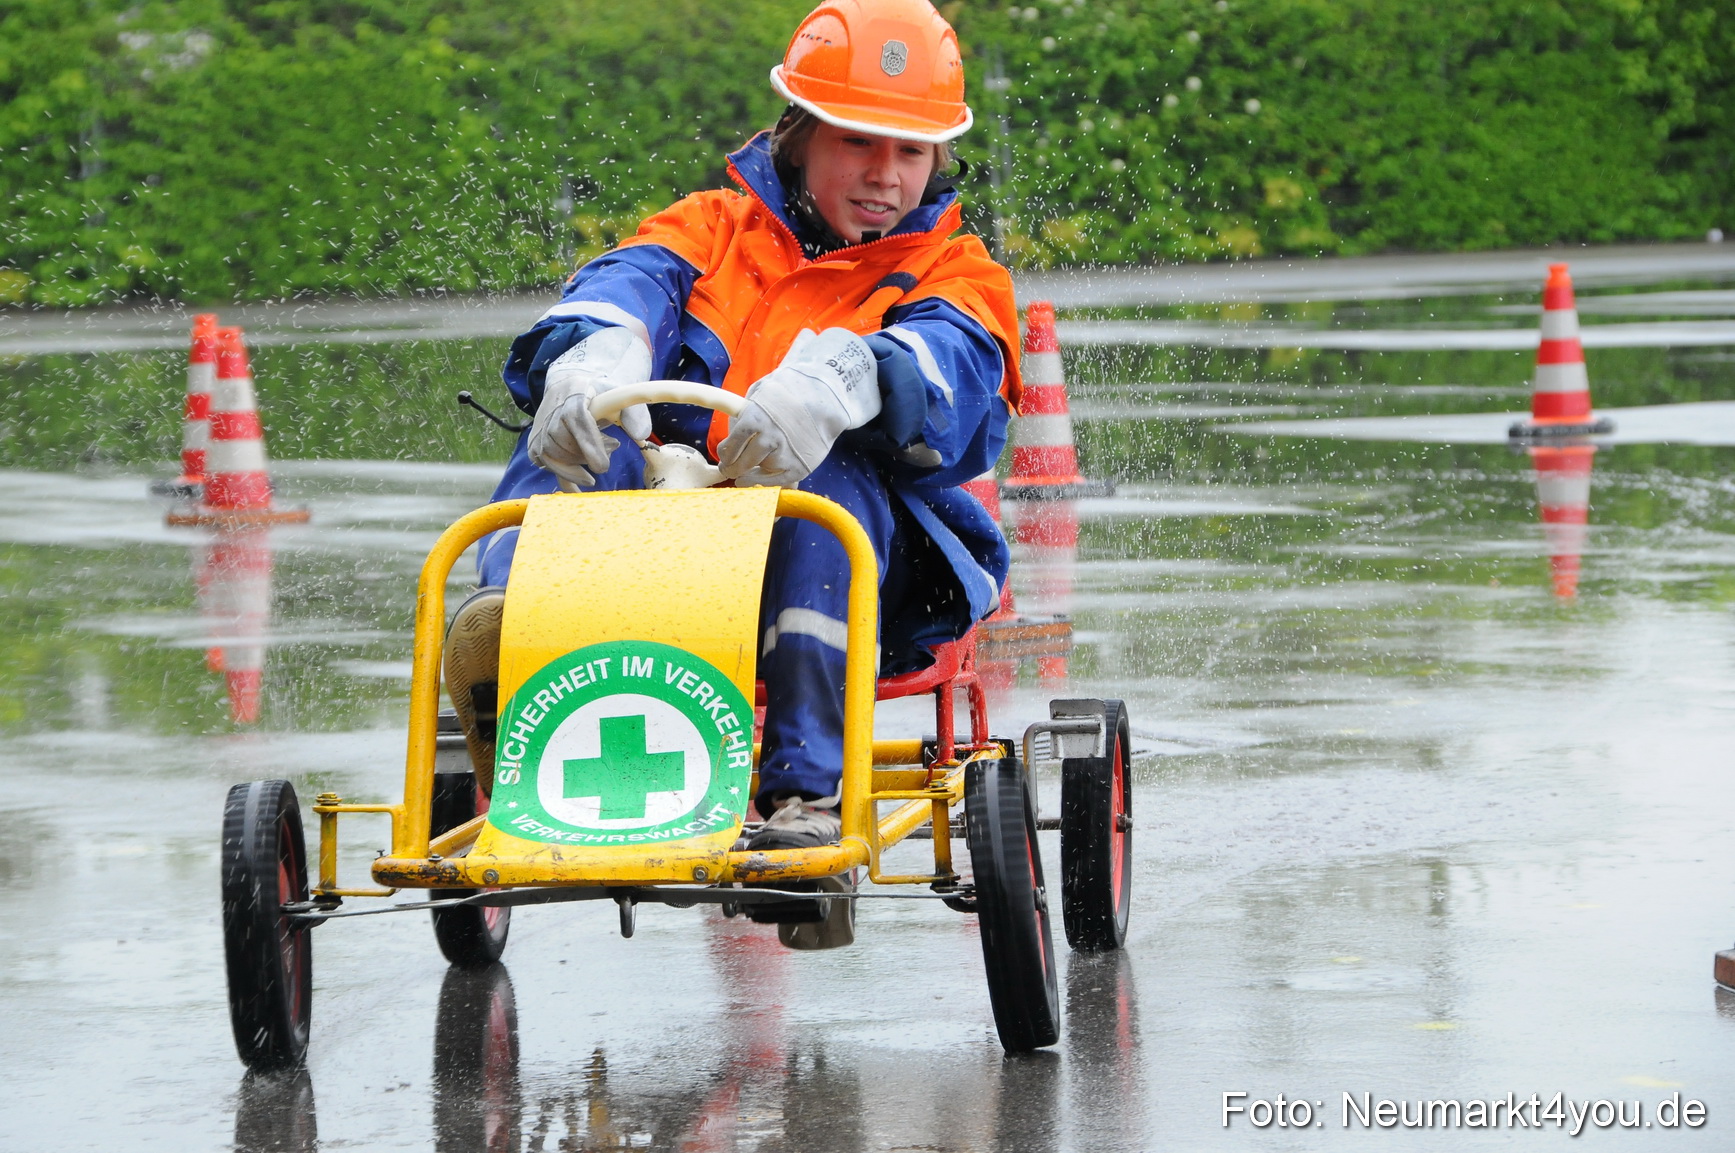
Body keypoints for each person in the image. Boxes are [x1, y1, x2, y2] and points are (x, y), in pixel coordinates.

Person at [444, 0, 1022, 853]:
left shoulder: (957, 270)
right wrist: (594, 347)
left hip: (856, 560)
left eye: (909, 150)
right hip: (663, 533)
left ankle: (803, 802)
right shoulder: (712, 226)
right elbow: (629, 277)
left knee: (814, 490)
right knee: (584, 439)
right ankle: (510, 636)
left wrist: (859, 374)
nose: (883, 176)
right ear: (798, 135)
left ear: (937, 158)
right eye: (856, 141)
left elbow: (958, 367)